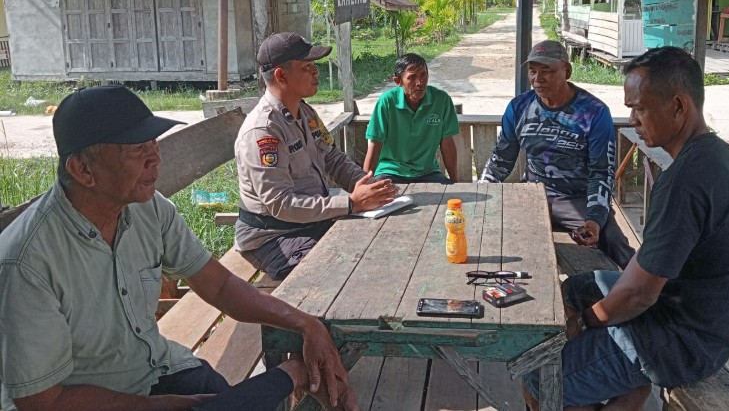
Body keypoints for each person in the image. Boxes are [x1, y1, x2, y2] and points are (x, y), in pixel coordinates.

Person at [0, 85, 359, 411]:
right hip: (86, 400)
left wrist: (306, 323)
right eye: (137, 149)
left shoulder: (147, 207)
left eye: (153, 143)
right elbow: (43, 401)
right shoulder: (26, 262)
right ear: (82, 169)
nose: (155, 157)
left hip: (158, 368)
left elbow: (218, 285)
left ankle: (288, 377)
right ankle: (292, 374)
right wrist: (165, 406)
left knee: (228, 402)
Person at [522, 46, 729, 410]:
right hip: (709, 320)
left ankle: (609, 376)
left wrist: (587, 324)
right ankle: (624, 386)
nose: (633, 120)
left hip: (683, 340)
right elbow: (647, 271)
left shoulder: (685, 180)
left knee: (539, 379)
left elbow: (639, 295)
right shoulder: (720, 153)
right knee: (582, 286)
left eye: (639, 108)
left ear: (679, 106)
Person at [235, 32, 394, 279]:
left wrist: (368, 186)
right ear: (281, 75)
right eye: (307, 67)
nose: (315, 72)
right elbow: (280, 204)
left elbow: (332, 158)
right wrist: (351, 203)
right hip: (275, 235)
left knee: (375, 246)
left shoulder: (305, 112)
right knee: (332, 271)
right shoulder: (263, 130)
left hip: (310, 220)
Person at [479, 39, 634, 268]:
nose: (537, 79)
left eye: (547, 71)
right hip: (532, 195)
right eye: (532, 71)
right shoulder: (519, 108)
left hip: (577, 199)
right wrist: (481, 194)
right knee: (494, 238)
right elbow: (501, 160)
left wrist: (594, 218)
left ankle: (648, 294)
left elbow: (601, 172)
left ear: (567, 71)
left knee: (614, 242)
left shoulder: (594, 112)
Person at [363, 53, 460, 184]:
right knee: (382, 201)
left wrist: (454, 181)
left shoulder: (441, 100)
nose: (419, 83)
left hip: (428, 172)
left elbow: (447, 143)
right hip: (391, 172)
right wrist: (365, 184)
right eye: (412, 78)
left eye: (423, 75)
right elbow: (375, 144)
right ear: (398, 81)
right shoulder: (387, 101)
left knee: (450, 199)